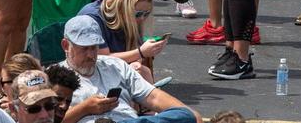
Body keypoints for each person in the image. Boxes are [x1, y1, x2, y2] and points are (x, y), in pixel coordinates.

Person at [58, 15, 201, 123]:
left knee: (185, 115)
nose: (90, 55)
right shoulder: (55, 76)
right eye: (84, 48)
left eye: (94, 47)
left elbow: (153, 97)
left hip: (129, 121)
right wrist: (85, 108)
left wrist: (191, 116)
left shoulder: (114, 65)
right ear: (66, 45)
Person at [75, 0, 173, 82]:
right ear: (123, 6)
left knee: (144, 72)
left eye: (146, 13)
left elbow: (133, 47)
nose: (142, 18)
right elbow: (100, 59)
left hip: (113, 71)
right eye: (138, 14)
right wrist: (140, 52)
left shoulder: (128, 16)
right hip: (88, 74)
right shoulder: (92, 19)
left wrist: (136, 62)